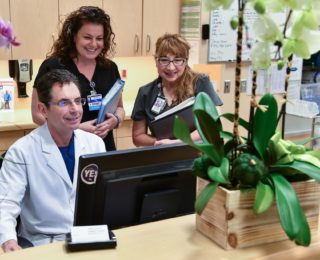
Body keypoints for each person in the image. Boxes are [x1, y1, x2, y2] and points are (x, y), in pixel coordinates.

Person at [0, 69, 106, 252]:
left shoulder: (94, 143)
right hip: (43, 243)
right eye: (64, 102)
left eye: (78, 101)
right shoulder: (21, 152)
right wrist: (8, 240)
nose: (75, 109)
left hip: (88, 237)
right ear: (43, 110)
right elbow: (6, 204)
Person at [31, 6, 125, 151]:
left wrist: (115, 120)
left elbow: (119, 108)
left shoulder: (110, 68)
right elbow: (37, 114)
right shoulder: (53, 66)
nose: (94, 44)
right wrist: (76, 129)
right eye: (87, 37)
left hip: (103, 147)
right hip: (65, 147)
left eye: (99, 38)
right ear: (74, 36)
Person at [131, 33, 223, 147]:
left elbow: (213, 124)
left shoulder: (200, 83)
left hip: (199, 154)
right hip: (162, 156)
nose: (171, 67)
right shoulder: (145, 93)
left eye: (177, 60)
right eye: (164, 60)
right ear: (156, 61)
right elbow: (137, 137)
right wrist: (156, 142)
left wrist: (175, 143)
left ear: (185, 61)